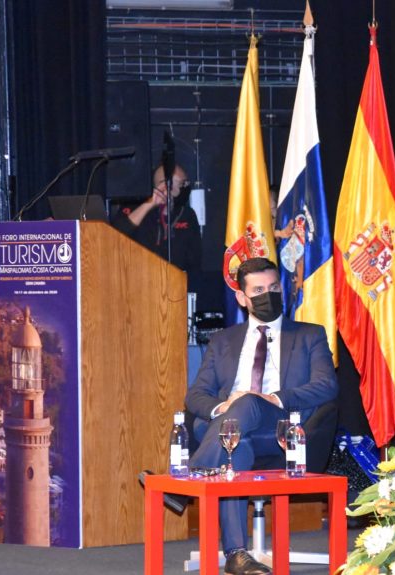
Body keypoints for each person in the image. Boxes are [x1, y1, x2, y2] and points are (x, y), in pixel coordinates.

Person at [185, 257, 337, 575]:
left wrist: (271, 398)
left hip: (281, 431)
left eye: (273, 287)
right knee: (236, 442)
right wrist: (223, 408)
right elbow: (195, 396)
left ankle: (191, 476)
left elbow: (326, 386)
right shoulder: (223, 341)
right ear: (242, 297)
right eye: (257, 290)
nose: (267, 295)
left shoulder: (310, 334)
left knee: (250, 404)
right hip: (231, 432)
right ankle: (237, 555)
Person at [111, 163, 202, 291]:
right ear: (165, 185)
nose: (186, 187)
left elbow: (195, 261)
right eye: (182, 183)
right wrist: (150, 204)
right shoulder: (134, 207)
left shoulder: (187, 214)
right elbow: (114, 235)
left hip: (175, 287)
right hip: (136, 285)